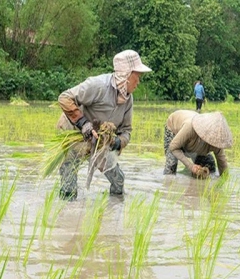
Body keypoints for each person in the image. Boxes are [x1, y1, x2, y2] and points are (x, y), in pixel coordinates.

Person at [56, 49, 152, 200]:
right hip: (75, 135)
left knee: (118, 180)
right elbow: (64, 98)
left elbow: (126, 130)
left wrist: (118, 142)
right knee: (69, 185)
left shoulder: (128, 99)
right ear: (126, 75)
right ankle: (67, 214)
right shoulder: (98, 86)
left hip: (101, 142)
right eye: (137, 77)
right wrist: (84, 124)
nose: (139, 82)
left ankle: (114, 211)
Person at [163, 110, 232, 178]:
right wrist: (191, 166)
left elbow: (222, 162)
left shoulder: (217, 141)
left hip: (192, 143)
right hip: (174, 130)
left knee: (209, 164)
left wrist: (224, 179)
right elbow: (173, 147)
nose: (214, 142)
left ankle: (188, 176)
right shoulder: (190, 127)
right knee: (171, 166)